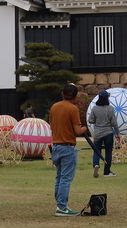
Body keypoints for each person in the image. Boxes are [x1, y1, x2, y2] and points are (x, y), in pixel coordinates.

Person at [49, 82, 88, 216]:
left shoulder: (54, 107)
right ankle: (62, 207)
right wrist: (86, 128)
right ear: (75, 96)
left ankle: (59, 204)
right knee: (66, 178)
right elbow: (77, 130)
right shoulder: (73, 109)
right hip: (67, 147)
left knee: (59, 177)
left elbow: (52, 125)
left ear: (62, 94)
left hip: (56, 146)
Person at [87, 89, 119, 178]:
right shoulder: (110, 108)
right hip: (108, 133)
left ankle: (96, 164)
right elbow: (114, 123)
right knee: (108, 152)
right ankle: (107, 172)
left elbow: (90, 120)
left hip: (97, 133)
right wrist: (118, 133)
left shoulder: (94, 108)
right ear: (107, 98)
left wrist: (97, 121)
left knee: (97, 151)